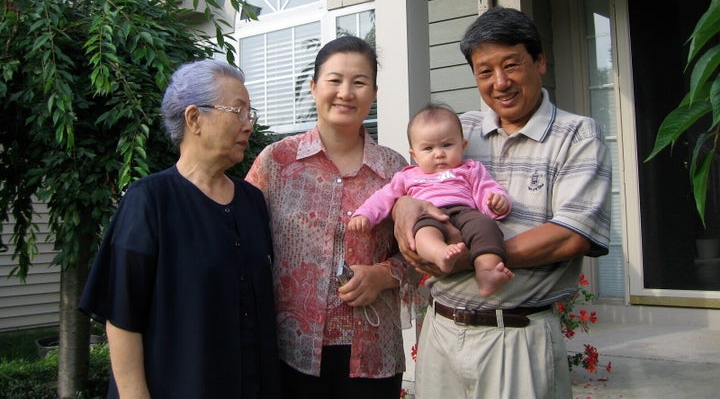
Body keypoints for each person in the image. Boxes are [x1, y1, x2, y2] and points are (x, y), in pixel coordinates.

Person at [393, 7, 612, 399]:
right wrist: (404, 209)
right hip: (441, 331)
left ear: (539, 61)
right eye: (484, 71)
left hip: (516, 336)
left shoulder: (576, 136)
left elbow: (570, 237)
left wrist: (473, 258)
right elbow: (410, 183)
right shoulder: (460, 131)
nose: (500, 83)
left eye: (511, 65)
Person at [80, 59, 280, 399]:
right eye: (238, 111)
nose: (248, 125)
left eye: (251, 114)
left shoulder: (252, 201)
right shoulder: (149, 201)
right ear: (194, 118)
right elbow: (122, 316)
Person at [245, 36, 418, 399]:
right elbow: (241, 240)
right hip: (290, 349)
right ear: (313, 87)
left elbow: (420, 252)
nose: (345, 92)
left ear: (374, 91)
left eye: (359, 82)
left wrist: (384, 275)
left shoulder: (396, 171)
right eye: (334, 80)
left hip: (372, 352)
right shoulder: (276, 162)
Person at [348, 103, 514, 297]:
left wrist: (496, 202)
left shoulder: (470, 169)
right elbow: (383, 197)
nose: (439, 154)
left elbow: (486, 189)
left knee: (486, 227)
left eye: (447, 145)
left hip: (465, 212)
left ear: (463, 145)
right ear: (414, 155)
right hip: (426, 215)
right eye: (428, 148)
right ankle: (440, 255)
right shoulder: (407, 176)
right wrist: (365, 214)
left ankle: (487, 274)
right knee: (423, 234)